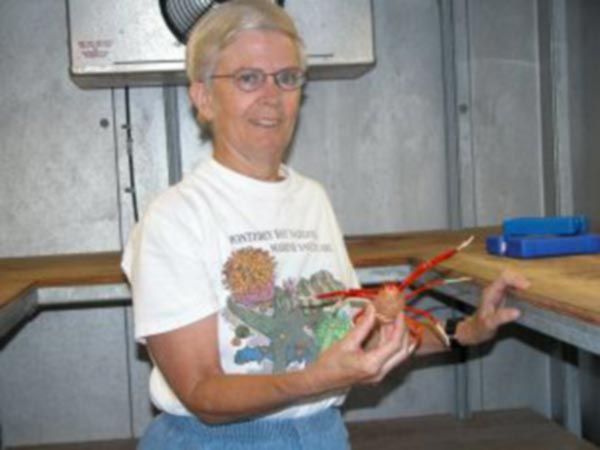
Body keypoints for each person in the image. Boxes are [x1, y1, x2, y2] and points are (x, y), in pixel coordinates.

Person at [121, 1, 530, 448]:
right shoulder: (174, 217)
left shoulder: (312, 198)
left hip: (321, 435)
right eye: (248, 78)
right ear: (202, 97)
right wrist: (314, 380)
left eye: (287, 77)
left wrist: (465, 330)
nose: (272, 97)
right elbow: (201, 392)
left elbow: (353, 329)